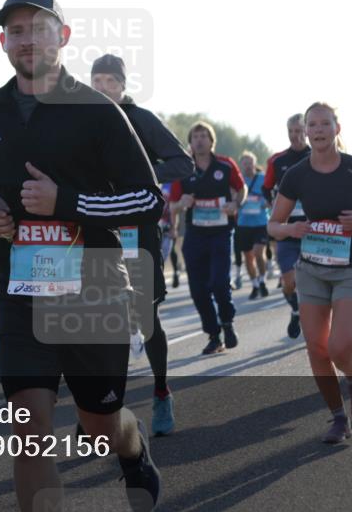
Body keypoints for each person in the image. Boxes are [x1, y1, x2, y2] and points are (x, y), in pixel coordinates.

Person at [0, 0, 164, 512]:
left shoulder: (97, 111)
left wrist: (66, 202)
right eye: (16, 31)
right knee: (28, 431)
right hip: (22, 293)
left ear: (64, 36)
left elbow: (148, 199)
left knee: (100, 427)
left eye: (39, 28)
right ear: (4, 41)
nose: (27, 40)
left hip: (94, 287)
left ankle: (131, 444)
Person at [268, 102, 352, 444]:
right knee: (317, 349)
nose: (319, 130)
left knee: (340, 346)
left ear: (337, 128)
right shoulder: (296, 173)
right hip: (312, 270)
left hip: (351, 266)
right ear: (305, 131)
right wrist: (292, 230)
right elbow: (274, 224)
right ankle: (339, 418)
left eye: (326, 123)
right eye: (313, 124)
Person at [91, 53, 194, 435]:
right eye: (96, 82)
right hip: (98, 232)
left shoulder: (140, 120)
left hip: (138, 231)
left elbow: (183, 165)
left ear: (122, 86)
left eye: (110, 82)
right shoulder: (78, 121)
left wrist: (139, 178)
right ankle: (102, 409)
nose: (102, 89)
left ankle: (162, 392)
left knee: (146, 319)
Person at [174, 122, 247, 355]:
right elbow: (173, 204)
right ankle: (214, 335)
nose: (199, 140)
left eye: (204, 135)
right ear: (190, 142)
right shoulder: (183, 169)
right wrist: (180, 204)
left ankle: (227, 321)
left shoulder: (225, 165)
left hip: (221, 233)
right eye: (195, 136)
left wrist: (236, 203)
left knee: (218, 282)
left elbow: (241, 187)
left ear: (211, 140)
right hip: (195, 235)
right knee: (198, 289)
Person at [263, 113, 311, 339]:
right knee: (289, 282)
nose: (295, 135)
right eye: (291, 131)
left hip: (314, 231)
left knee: (316, 282)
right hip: (286, 229)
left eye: (299, 131)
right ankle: (296, 309)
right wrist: (275, 204)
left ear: (307, 132)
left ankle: (317, 322)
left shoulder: (317, 156)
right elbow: (266, 187)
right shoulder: (277, 160)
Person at [236, 151, 270, 300]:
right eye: (245, 163)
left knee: (258, 252)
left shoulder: (263, 179)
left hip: (261, 223)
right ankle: (255, 284)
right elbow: (231, 197)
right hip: (243, 224)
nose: (248, 166)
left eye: (250, 163)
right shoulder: (238, 181)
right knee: (248, 258)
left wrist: (265, 203)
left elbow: (271, 197)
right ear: (241, 165)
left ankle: (262, 280)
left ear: (254, 164)